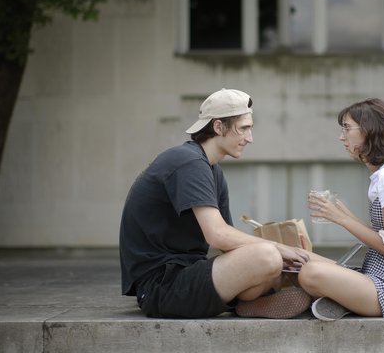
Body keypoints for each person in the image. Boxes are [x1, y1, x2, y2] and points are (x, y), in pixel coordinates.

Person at [119, 88, 312, 319]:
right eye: (244, 128)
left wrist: (295, 254)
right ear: (218, 127)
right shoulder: (187, 162)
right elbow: (217, 236)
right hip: (160, 286)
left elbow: (230, 243)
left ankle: (254, 303)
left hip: (188, 274)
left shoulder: (212, 170)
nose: (249, 138)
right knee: (268, 257)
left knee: (275, 266)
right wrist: (278, 248)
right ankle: (257, 301)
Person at [298, 98, 384, 321]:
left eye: (347, 128)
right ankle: (346, 300)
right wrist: (342, 212)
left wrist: (341, 219)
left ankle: (345, 300)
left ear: (369, 131)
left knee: (310, 273)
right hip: (375, 276)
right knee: (302, 258)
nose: (341, 137)